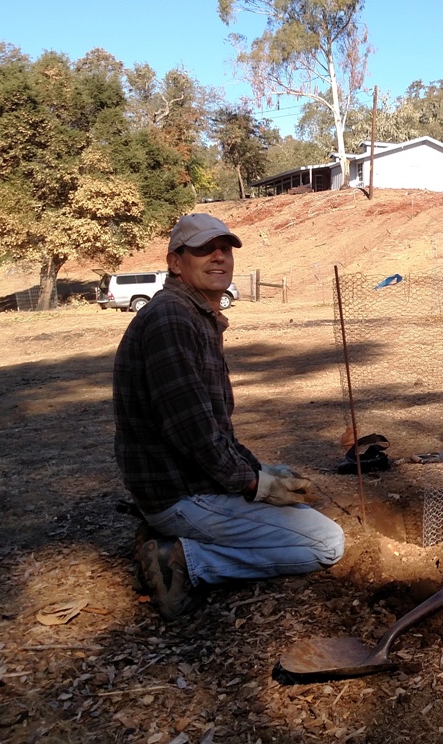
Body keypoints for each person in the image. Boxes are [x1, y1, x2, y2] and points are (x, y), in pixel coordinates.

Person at [113, 213, 345, 621]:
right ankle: (184, 558)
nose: (218, 256)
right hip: (179, 494)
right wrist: (255, 484)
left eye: (225, 248)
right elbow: (193, 433)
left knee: (287, 498)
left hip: (182, 484)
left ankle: (173, 535)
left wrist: (259, 467)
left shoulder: (193, 316)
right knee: (326, 543)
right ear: (175, 262)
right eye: (204, 249)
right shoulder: (171, 320)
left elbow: (213, 427)